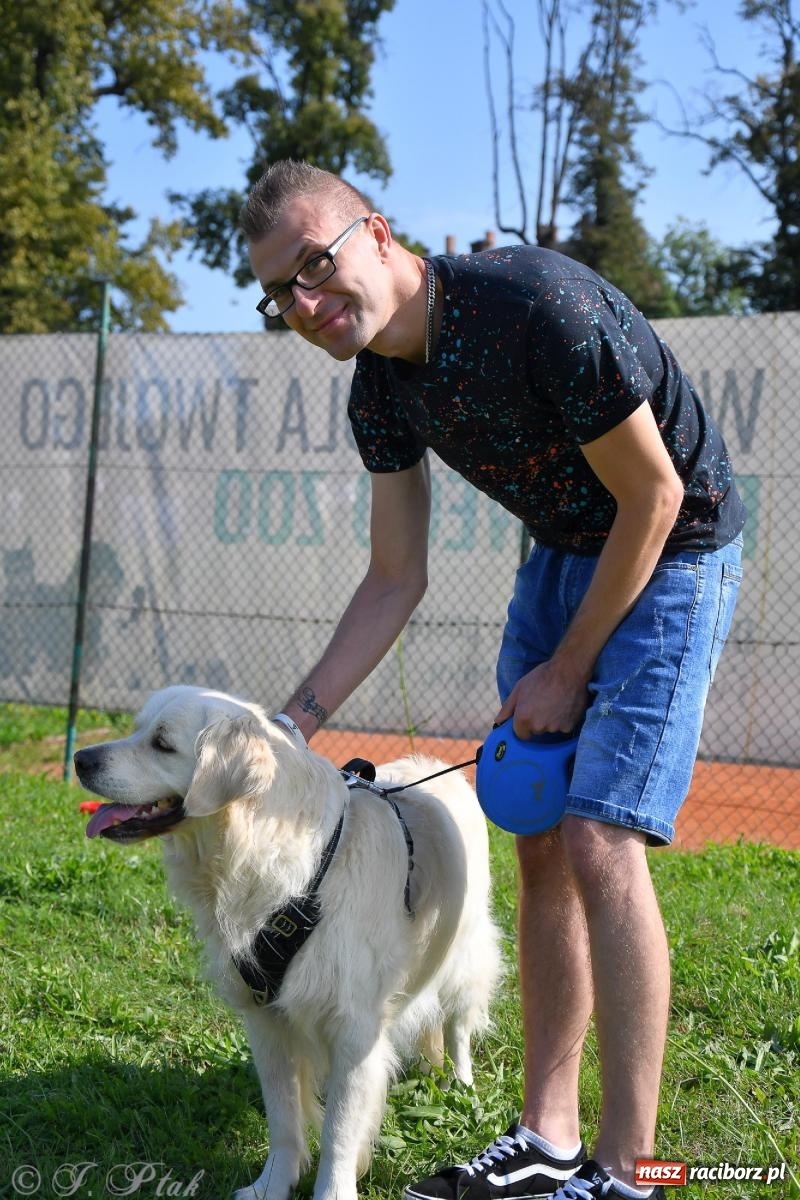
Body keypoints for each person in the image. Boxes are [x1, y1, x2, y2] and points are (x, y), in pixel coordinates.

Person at [240, 160, 745, 1200]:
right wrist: (293, 721)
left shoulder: (531, 307)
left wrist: (569, 668)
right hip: (561, 551)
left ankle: (629, 1171)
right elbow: (393, 577)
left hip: (673, 543)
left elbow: (652, 497)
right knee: (543, 843)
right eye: (277, 292)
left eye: (313, 264)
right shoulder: (378, 388)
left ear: (375, 233)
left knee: (602, 836)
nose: (301, 303)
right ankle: (548, 1137)